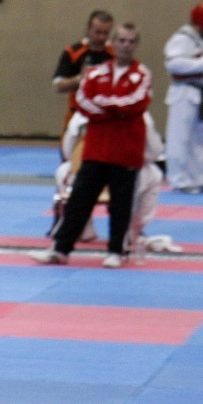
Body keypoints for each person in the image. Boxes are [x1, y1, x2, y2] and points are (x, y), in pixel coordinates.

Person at [35, 23, 151, 268]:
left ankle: (116, 251)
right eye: (122, 40)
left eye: (131, 41)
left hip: (125, 150)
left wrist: (105, 105)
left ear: (137, 45)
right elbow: (82, 101)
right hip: (96, 148)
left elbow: (136, 104)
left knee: (120, 204)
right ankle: (60, 249)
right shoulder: (96, 72)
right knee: (79, 201)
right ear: (114, 43)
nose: (126, 46)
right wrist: (113, 109)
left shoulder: (142, 74)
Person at [163, 2, 203, 192]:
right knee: (179, 138)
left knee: (198, 139)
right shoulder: (182, 38)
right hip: (183, 93)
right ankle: (179, 180)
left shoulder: (202, 40)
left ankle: (199, 178)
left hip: (199, 93)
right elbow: (173, 64)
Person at [52, 11, 115, 124]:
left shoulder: (115, 54)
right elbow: (58, 86)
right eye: (98, 32)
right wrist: (80, 78)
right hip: (78, 113)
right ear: (88, 29)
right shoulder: (73, 52)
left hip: (108, 115)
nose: (102, 37)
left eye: (106, 33)